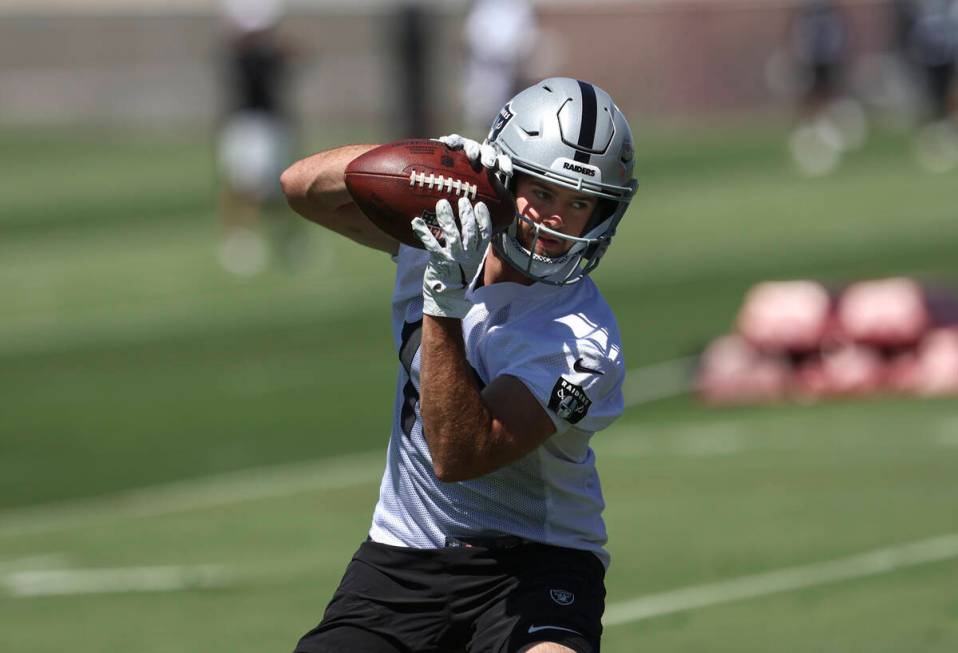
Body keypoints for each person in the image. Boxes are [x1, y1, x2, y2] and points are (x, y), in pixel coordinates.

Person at [280, 77, 637, 653]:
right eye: (543, 191)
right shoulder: (436, 228)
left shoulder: (586, 341)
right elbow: (300, 187)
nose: (555, 222)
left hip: (536, 560)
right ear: (505, 173)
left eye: (579, 203)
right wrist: (426, 163)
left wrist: (443, 302)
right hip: (404, 554)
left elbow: (460, 454)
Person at [216, 0, 301, 275]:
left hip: (270, 123)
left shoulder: (267, 55)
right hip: (248, 124)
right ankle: (241, 239)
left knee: (281, 187)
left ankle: (287, 239)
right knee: (244, 185)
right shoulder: (244, 56)